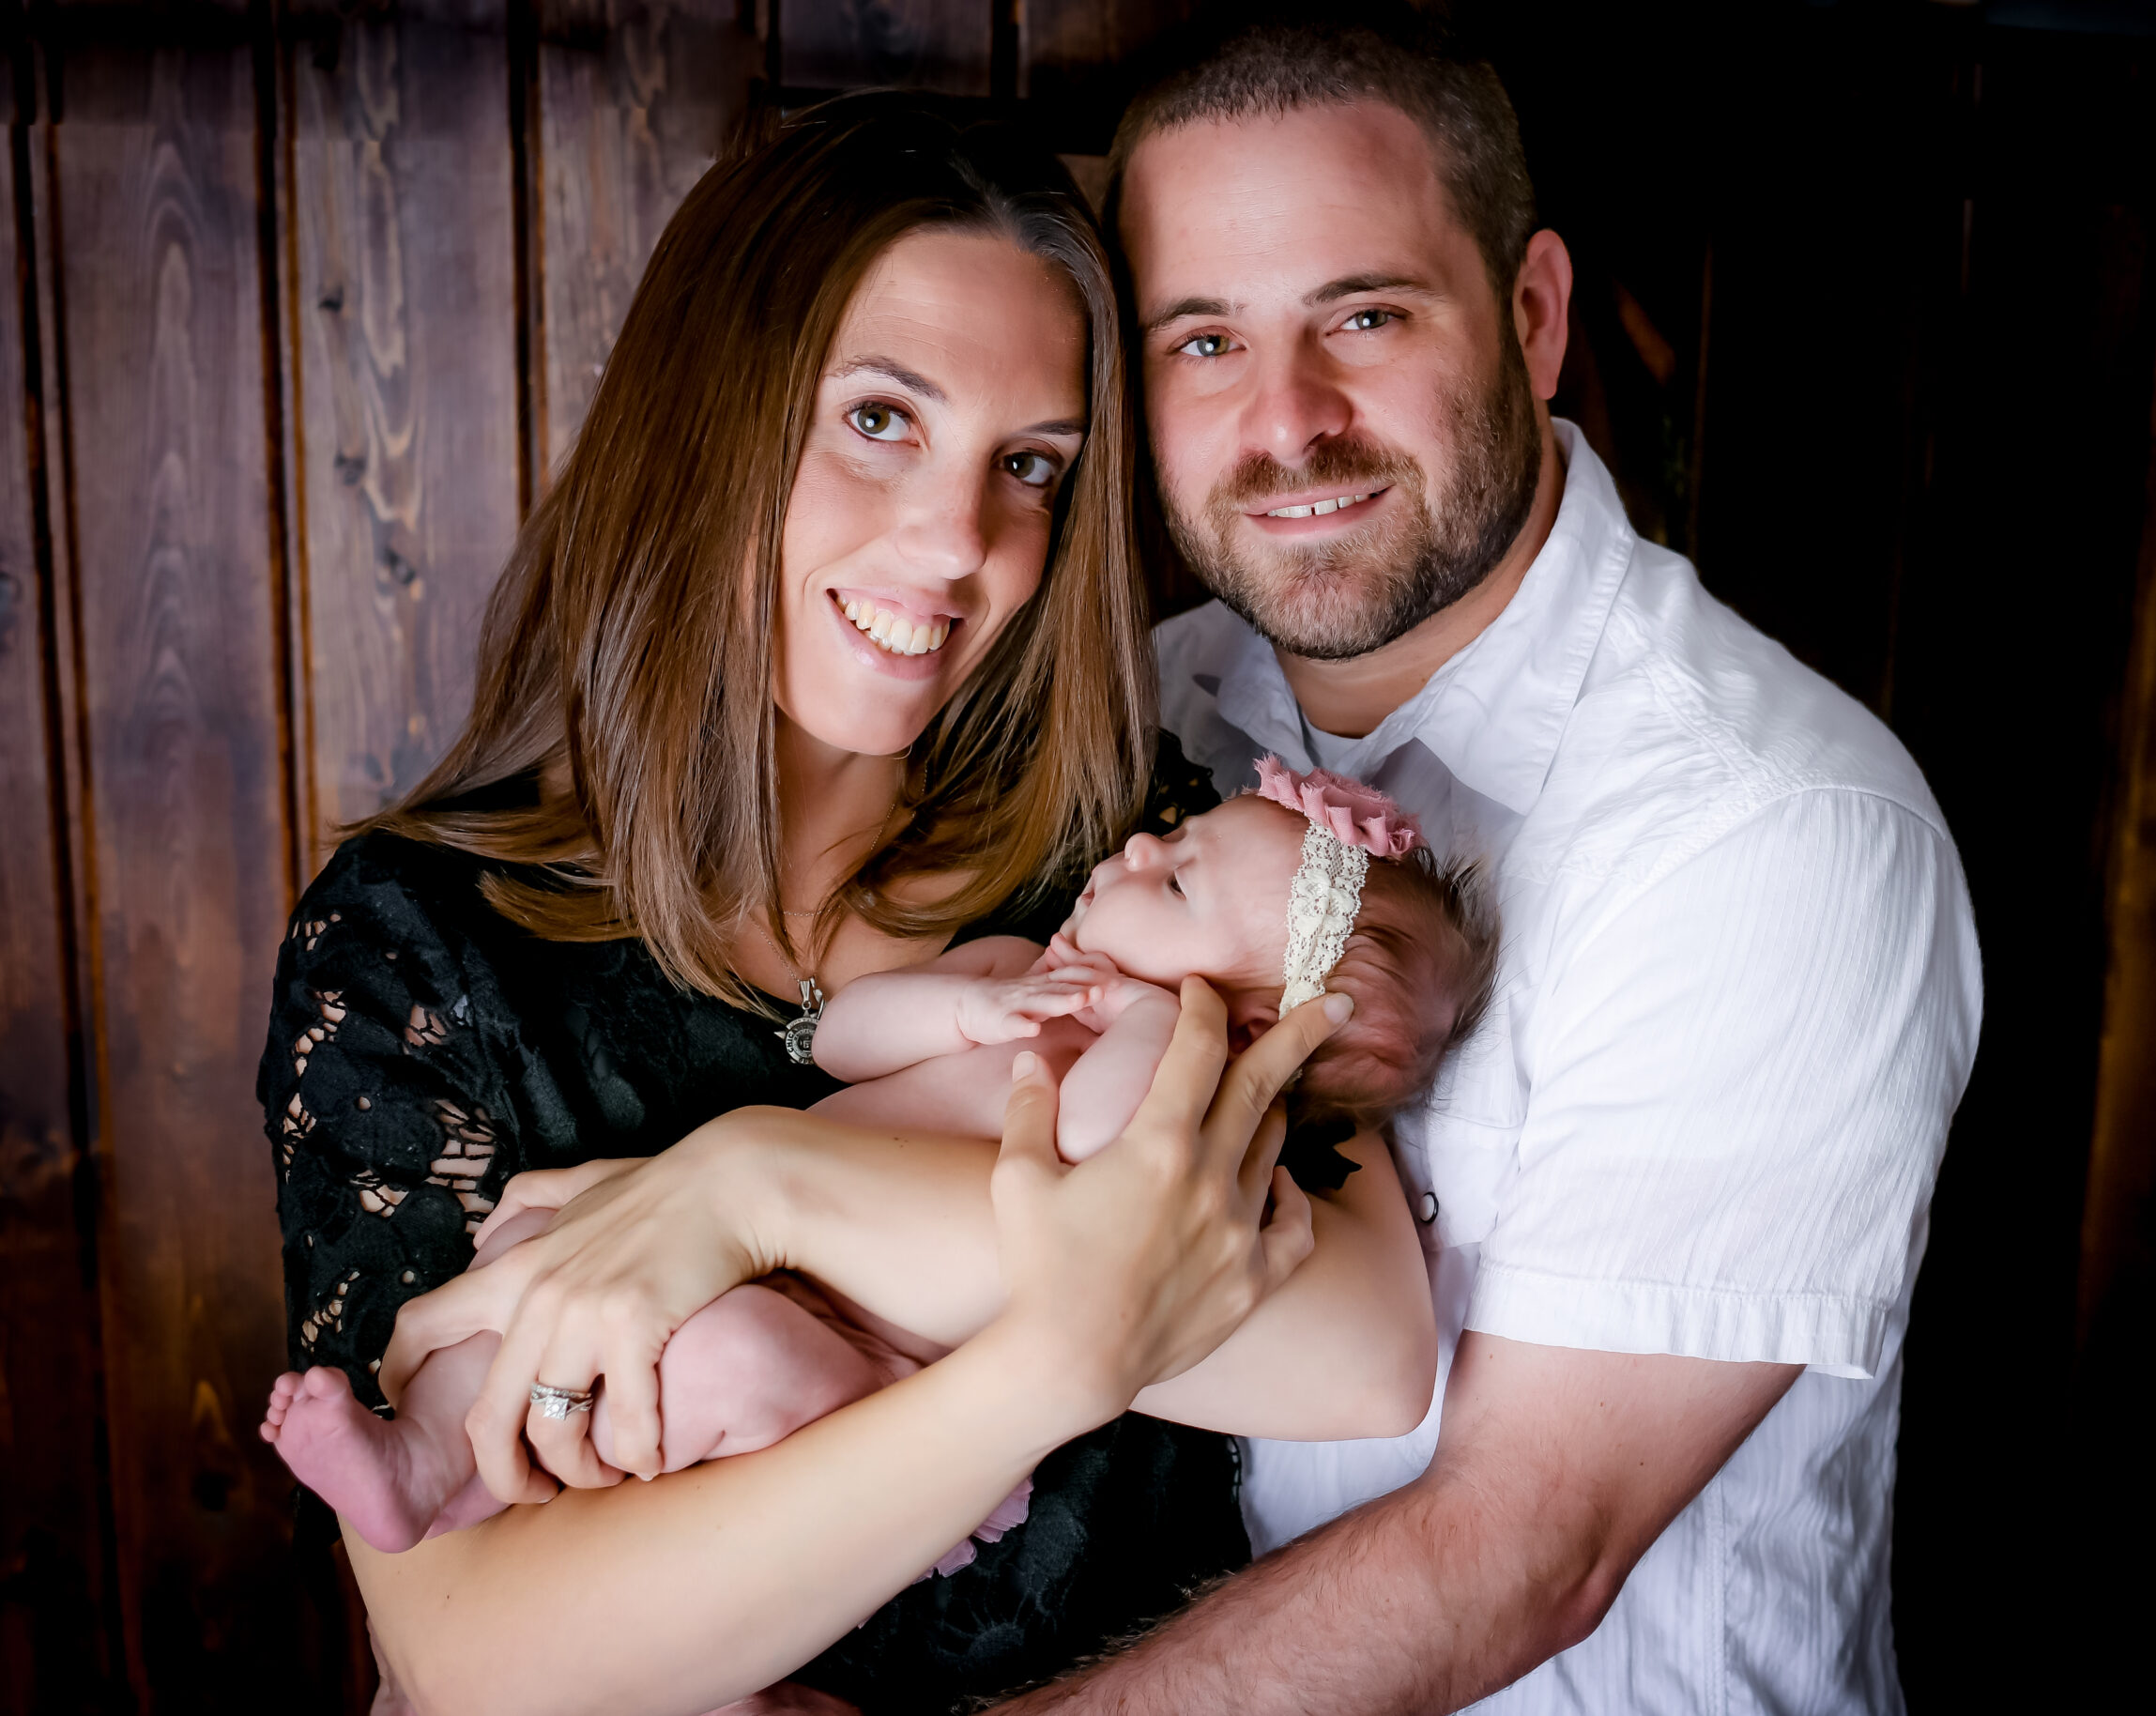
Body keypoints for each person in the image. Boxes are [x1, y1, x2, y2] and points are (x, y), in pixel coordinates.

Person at [264, 91, 1433, 1716]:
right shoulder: (413, 948)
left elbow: (1360, 1347)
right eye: (881, 419)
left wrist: (763, 1185)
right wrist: (1051, 1367)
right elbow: (480, 1658)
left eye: (1028, 465)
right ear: (710, 419)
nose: (960, 544)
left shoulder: (1131, 861)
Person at [965, 10, 1983, 1713]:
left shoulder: (1769, 831)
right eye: (1201, 341)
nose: (1286, 424)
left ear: (1532, 315)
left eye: (1362, 315)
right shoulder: (1140, 717)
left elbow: (1526, 1552)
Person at [263, 766, 1487, 1580]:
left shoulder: (1179, 1081)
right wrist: (967, 1011)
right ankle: (422, 1461)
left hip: (866, 1363)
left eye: (1173, 880)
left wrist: (1140, 1022)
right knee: (538, 1259)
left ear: (1253, 1016)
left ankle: (699, 1662)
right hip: (735, 1250)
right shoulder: (1016, 970)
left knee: (732, 1370)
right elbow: (841, 1041)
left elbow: (1097, 1168)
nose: (1126, 851)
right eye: (1170, 834)